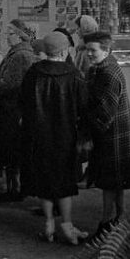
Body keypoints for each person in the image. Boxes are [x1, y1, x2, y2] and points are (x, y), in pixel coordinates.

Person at [20, 32, 88, 245]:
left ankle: (49, 224)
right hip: (65, 135)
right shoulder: (74, 74)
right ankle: (67, 224)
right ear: (64, 50)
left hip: (38, 135)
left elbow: (23, 103)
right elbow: (83, 107)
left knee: (45, 178)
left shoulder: (33, 73)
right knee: (64, 180)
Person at [85, 31, 130, 233]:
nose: (89, 54)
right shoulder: (107, 67)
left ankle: (106, 223)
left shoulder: (107, 73)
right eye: (87, 49)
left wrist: (88, 133)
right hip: (119, 132)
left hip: (111, 134)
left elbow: (105, 111)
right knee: (117, 181)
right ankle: (119, 217)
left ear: (106, 49)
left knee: (109, 182)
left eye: (92, 50)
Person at [0, 19, 39, 200]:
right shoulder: (21, 53)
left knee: (12, 150)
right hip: (13, 109)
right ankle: (15, 188)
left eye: (9, 33)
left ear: (18, 35)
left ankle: (14, 190)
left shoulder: (20, 56)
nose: (6, 37)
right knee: (14, 150)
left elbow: (9, 84)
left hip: (12, 110)